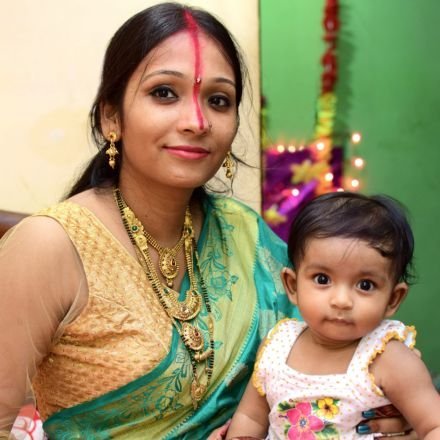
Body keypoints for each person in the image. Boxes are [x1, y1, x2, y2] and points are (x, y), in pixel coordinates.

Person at [0, 3, 415, 439]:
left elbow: (336, 347)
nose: (197, 122)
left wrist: (389, 403)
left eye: (218, 101)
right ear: (111, 116)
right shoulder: (50, 245)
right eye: (164, 93)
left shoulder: (243, 232)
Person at [226, 192, 440, 440]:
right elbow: (250, 418)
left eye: (365, 285)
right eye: (322, 279)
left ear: (393, 298)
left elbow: (434, 426)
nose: (341, 300)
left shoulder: (388, 359)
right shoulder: (276, 347)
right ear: (292, 285)